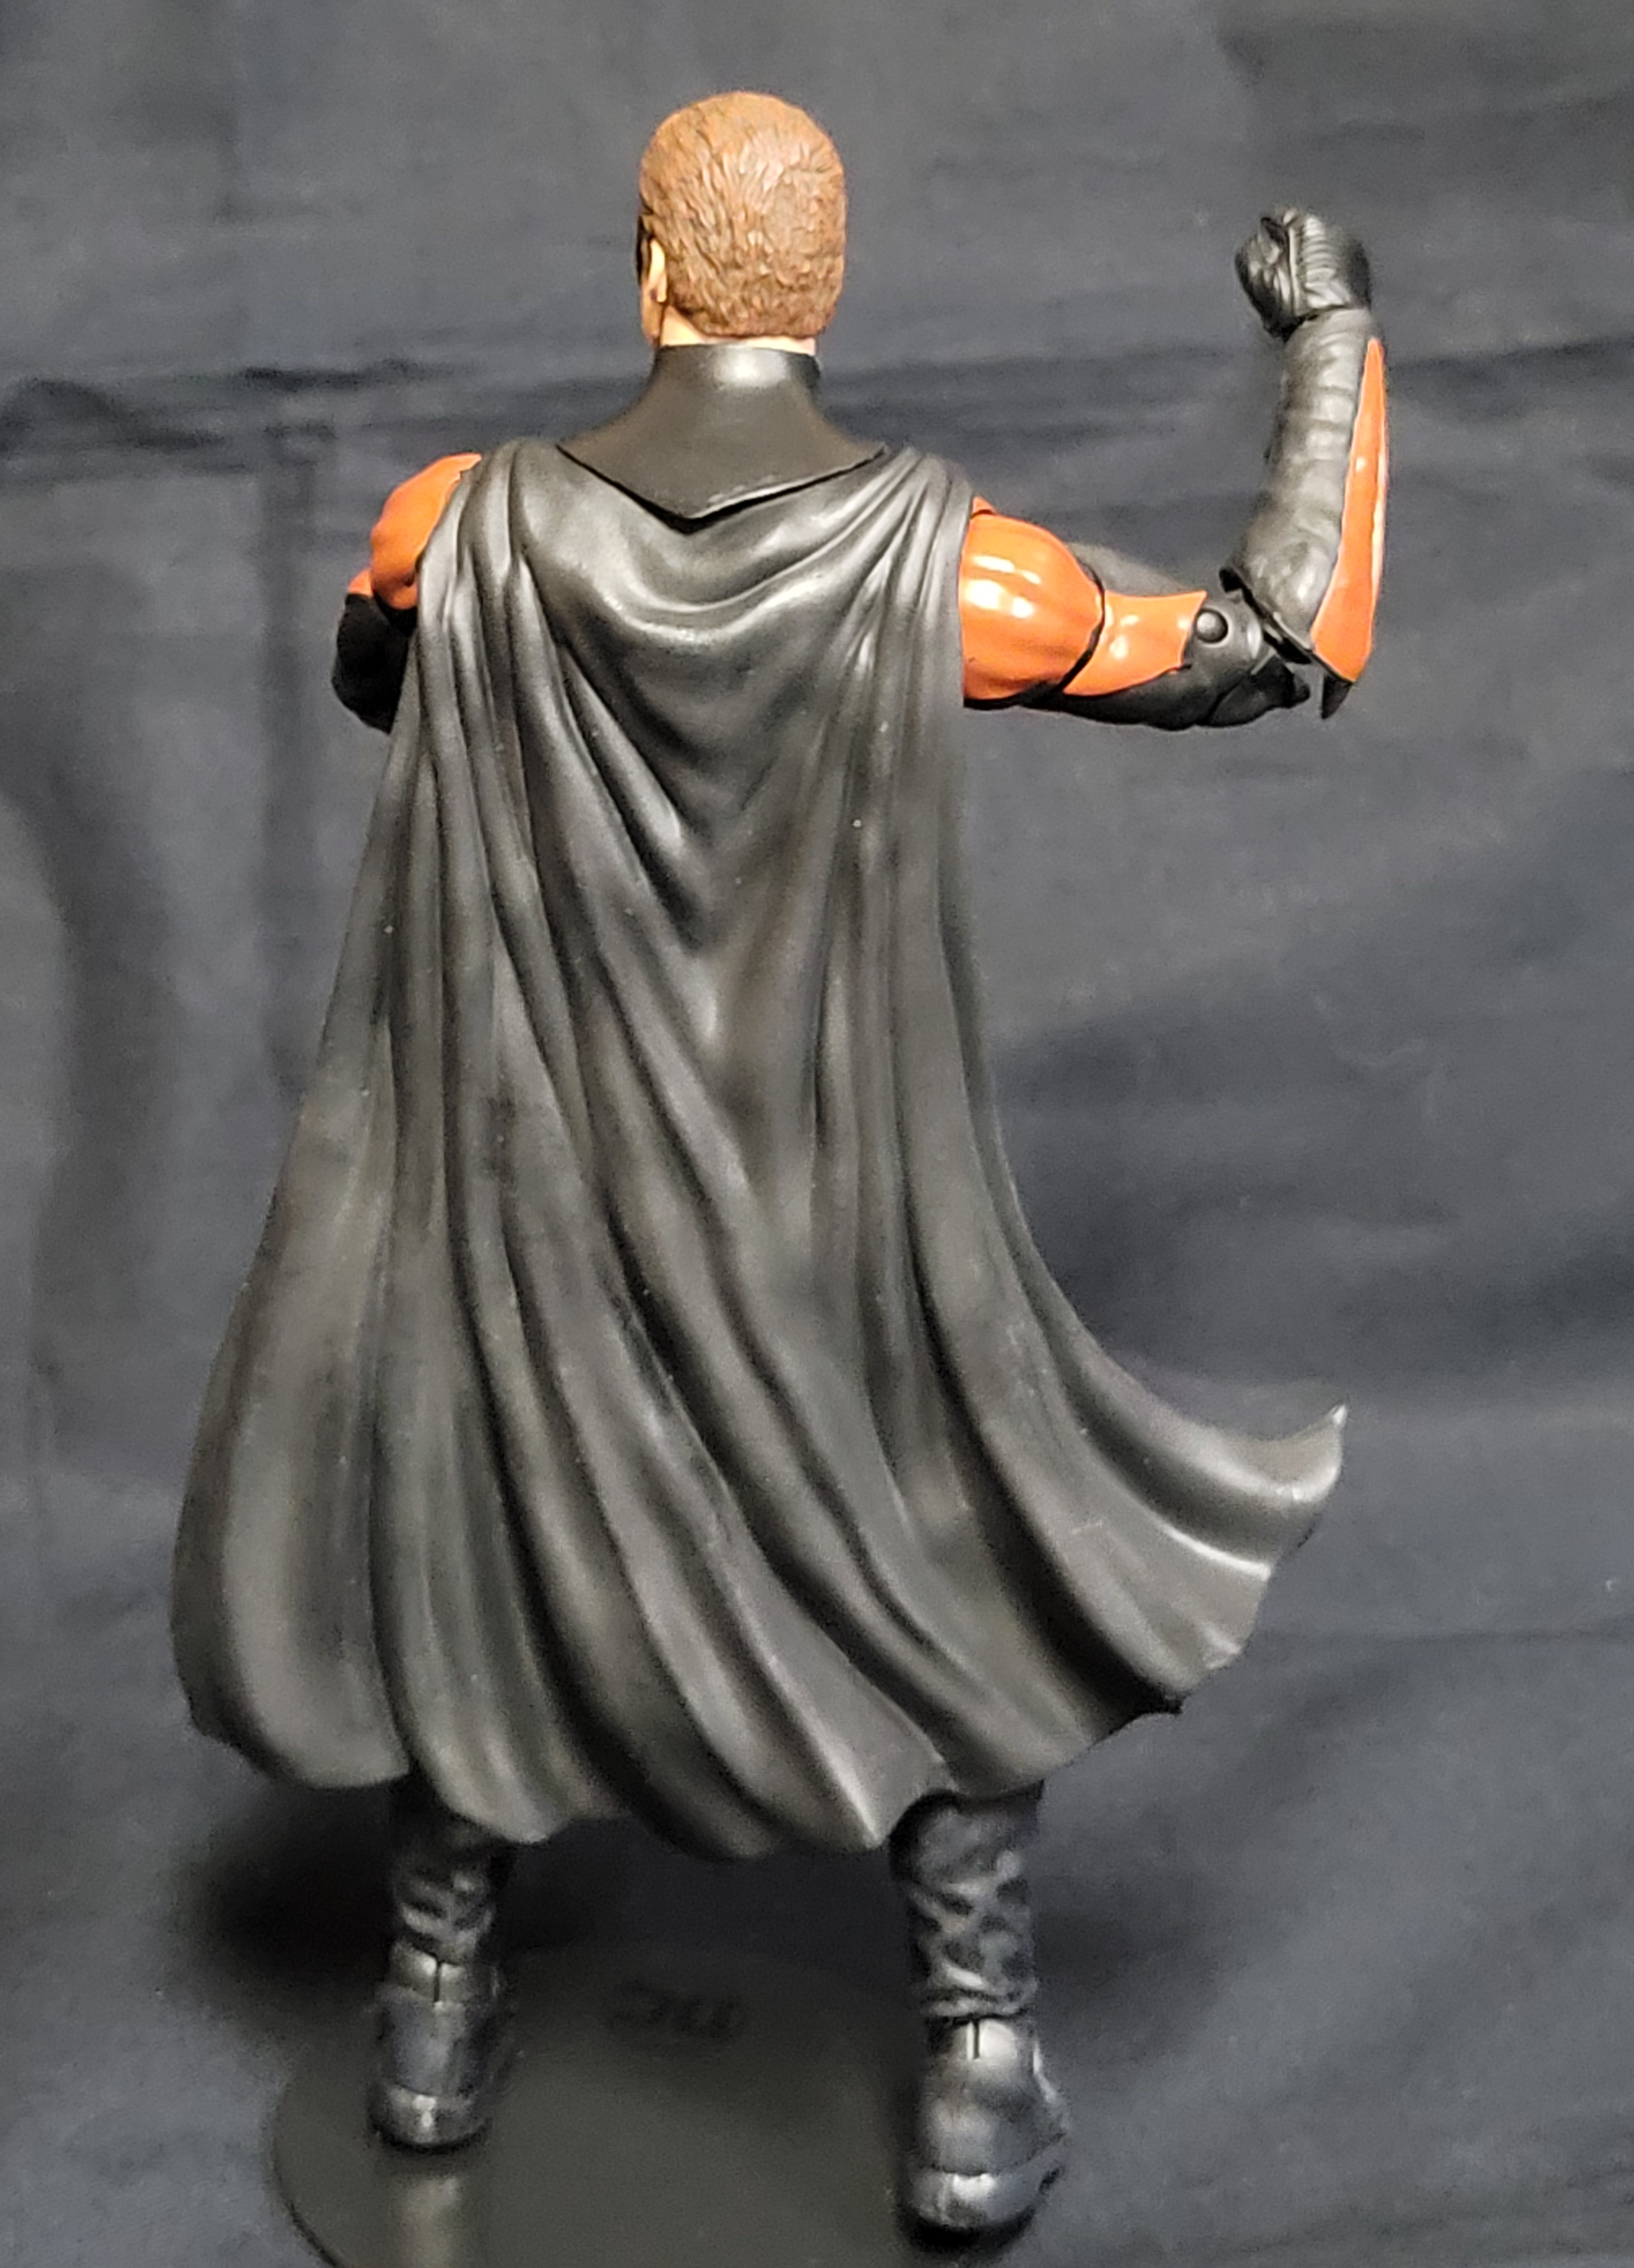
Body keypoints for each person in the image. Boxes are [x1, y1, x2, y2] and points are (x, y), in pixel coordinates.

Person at [174, 91, 1384, 2239]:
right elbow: (1266, 646)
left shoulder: (453, 525)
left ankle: (435, 2014)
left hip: (538, 1205)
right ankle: (973, 2063)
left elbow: (378, 672)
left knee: (492, 1557)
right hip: (832, 1210)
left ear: (650, 275)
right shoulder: (959, 568)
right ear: (821, 294)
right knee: (942, 1575)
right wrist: (1335, 354)